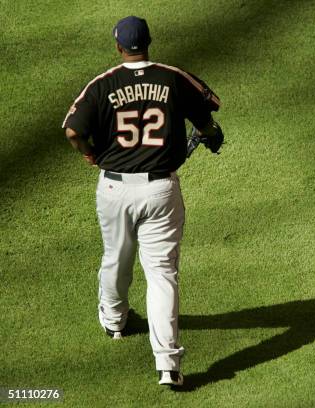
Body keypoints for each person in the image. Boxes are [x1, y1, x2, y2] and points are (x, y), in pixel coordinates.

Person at [62, 15, 222, 387]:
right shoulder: (172, 76)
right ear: (150, 41)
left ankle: (114, 320)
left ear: (118, 47)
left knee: (116, 256)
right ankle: (168, 365)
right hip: (160, 190)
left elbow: (72, 129)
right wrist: (210, 134)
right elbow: (207, 113)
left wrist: (88, 153)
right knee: (162, 274)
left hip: (115, 189)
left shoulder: (102, 84)